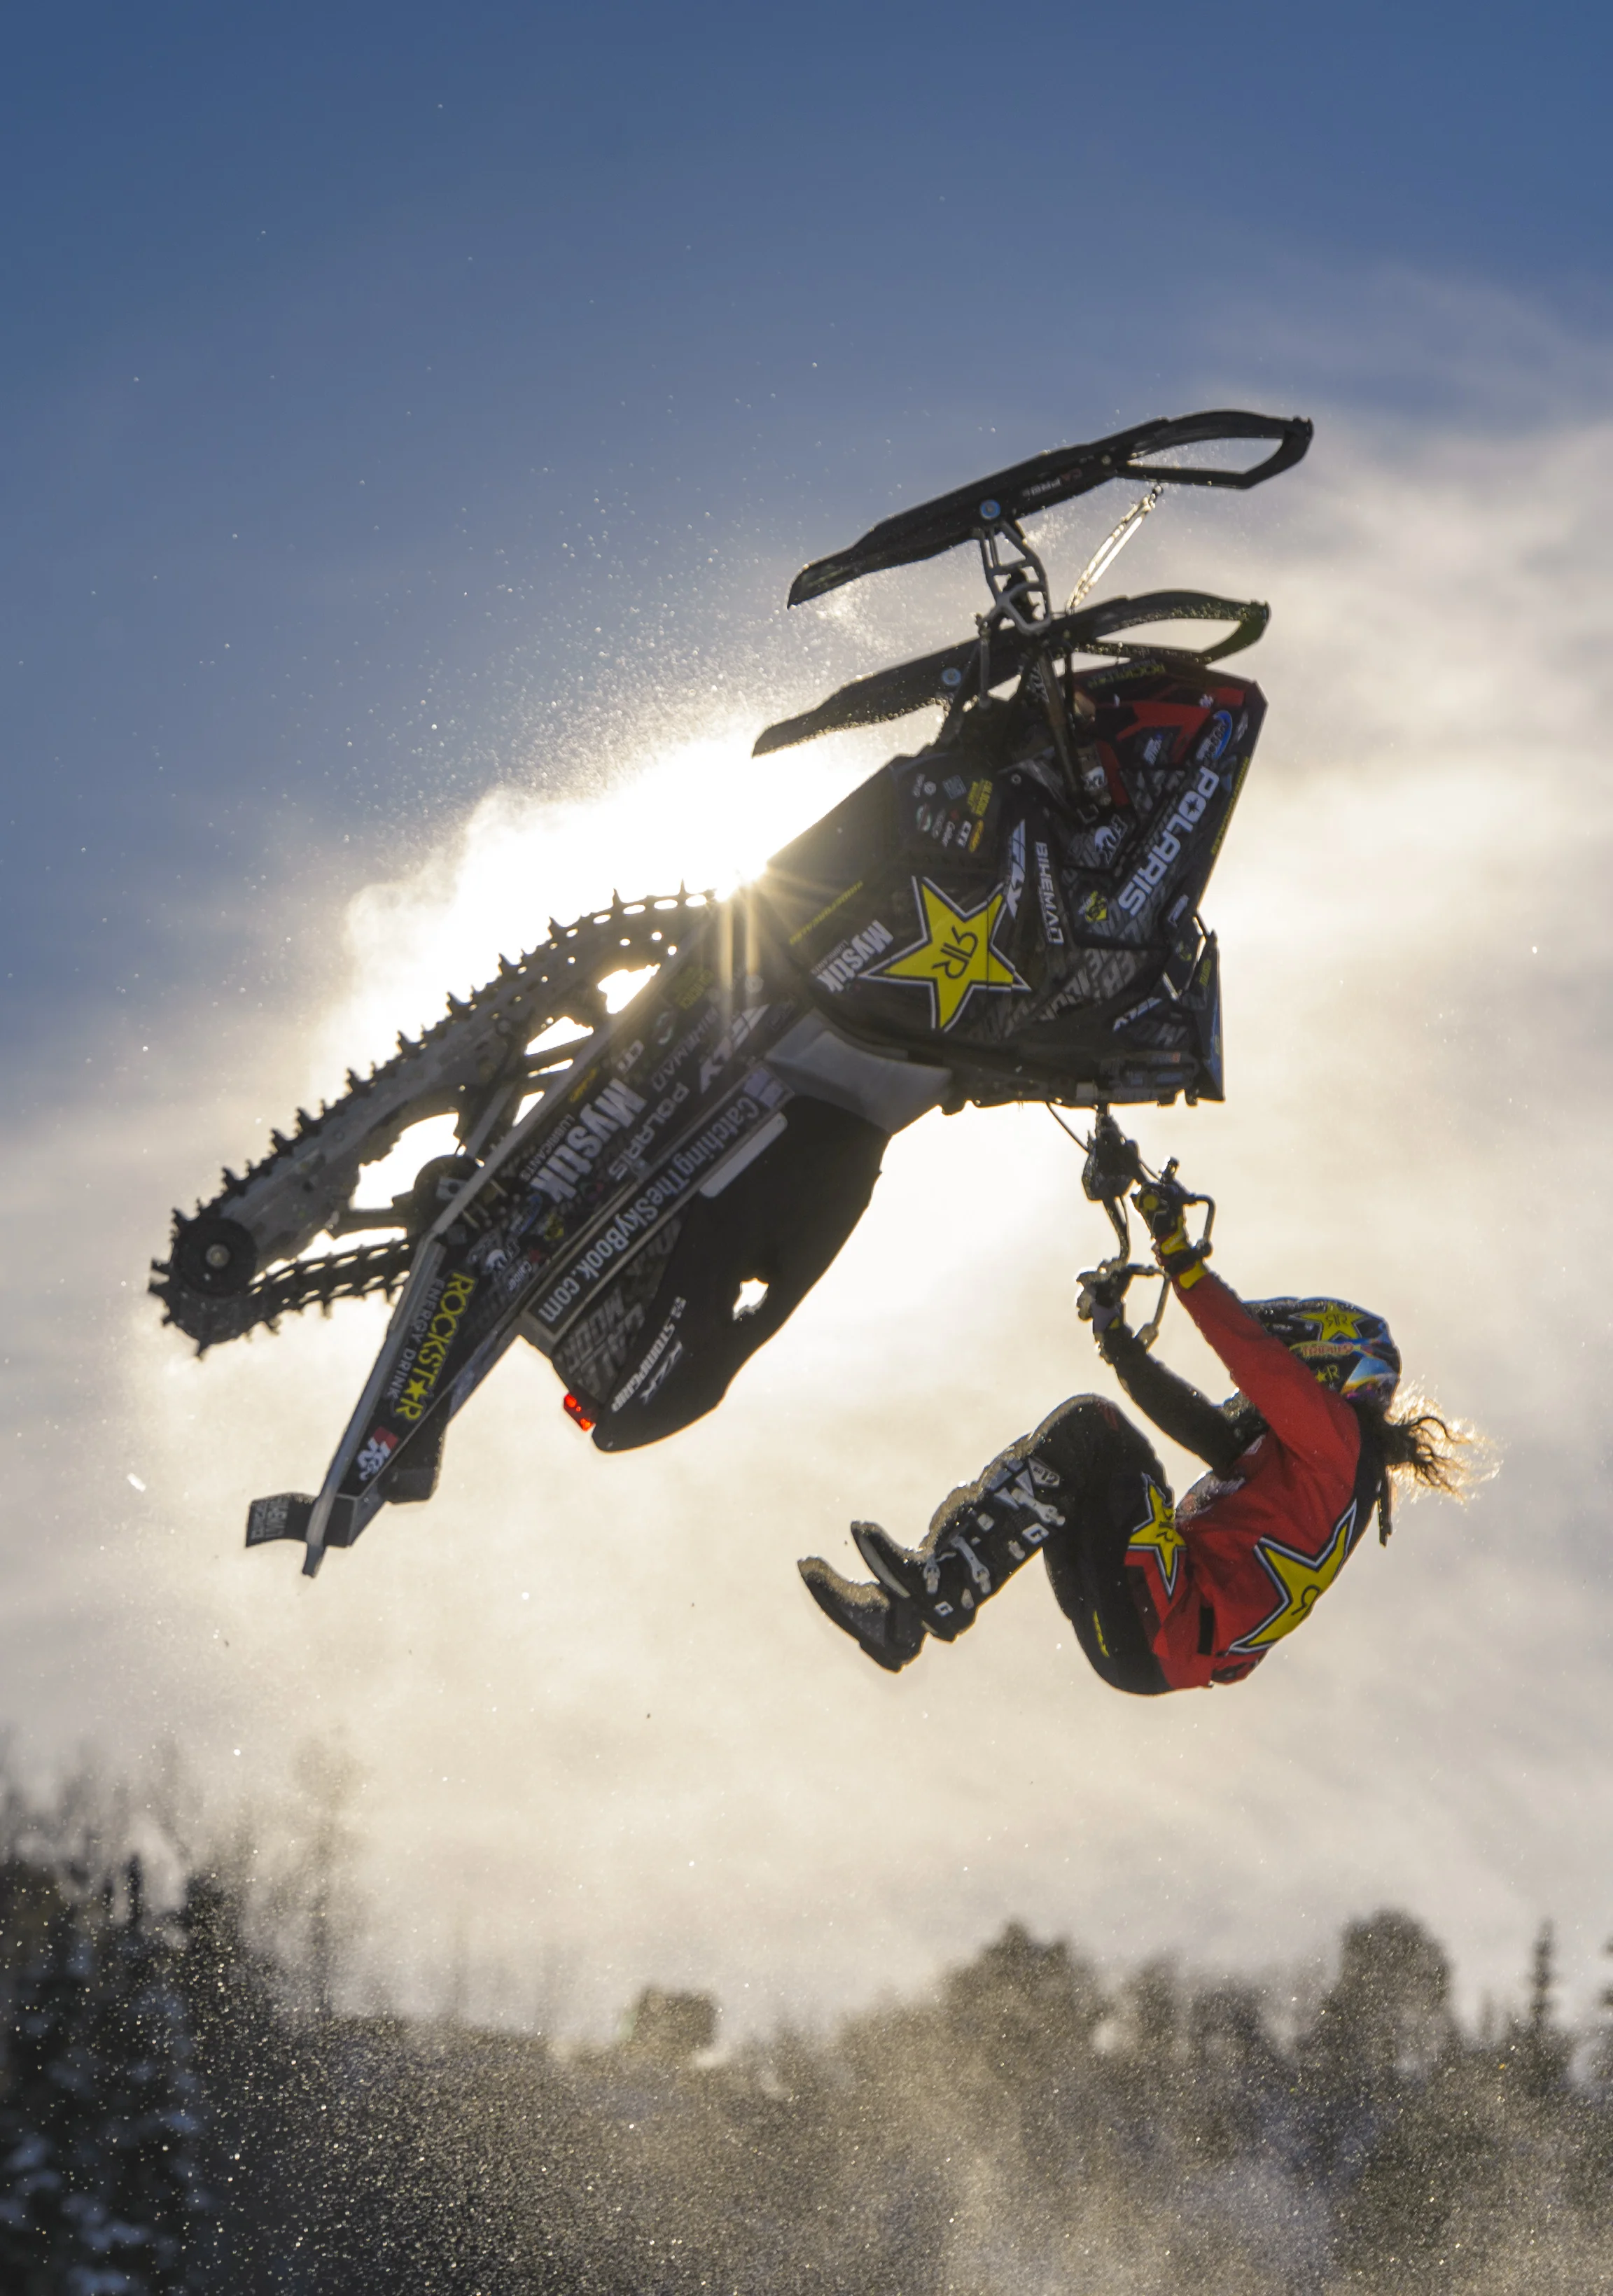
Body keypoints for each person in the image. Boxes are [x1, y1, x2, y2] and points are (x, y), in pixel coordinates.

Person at [799, 1168, 1475, 1690]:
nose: (1262, 1395)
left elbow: (1253, 1354)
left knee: (1095, 1430)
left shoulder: (1340, 1440)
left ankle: (935, 1595)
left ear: (1335, 1366)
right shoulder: (1316, 1475)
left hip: (1164, 1619)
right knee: (1077, 1464)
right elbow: (1201, 1424)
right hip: (1145, 1644)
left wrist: (1179, 1255)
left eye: (1299, 1363)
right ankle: (902, 1619)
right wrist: (1118, 1341)